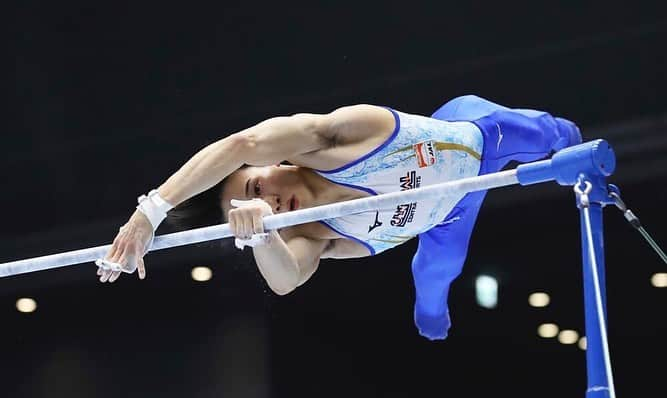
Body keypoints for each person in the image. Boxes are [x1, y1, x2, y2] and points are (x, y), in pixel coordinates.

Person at [96, 95, 582, 340]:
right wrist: (263, 235)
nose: (267, 198)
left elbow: (240, 144)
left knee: (557, 135)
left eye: (256, 185)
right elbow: (286, 281)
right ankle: (430, 308)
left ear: (277, 162)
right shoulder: (318, 236)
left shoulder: (333, 139)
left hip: (479, 133)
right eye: (253, 203)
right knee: (437, 273)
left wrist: (151, 211)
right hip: (448, 216)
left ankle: (578, 155)